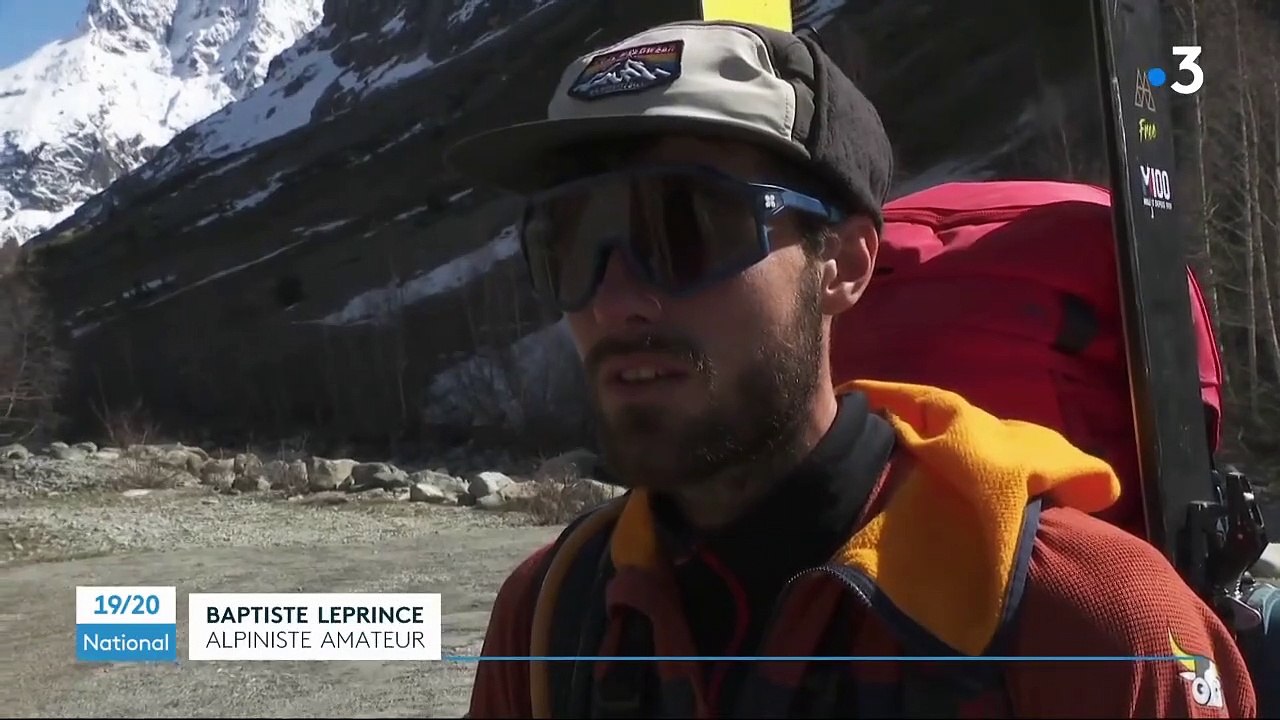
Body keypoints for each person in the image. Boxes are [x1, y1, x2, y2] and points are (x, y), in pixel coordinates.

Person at [444, 18, 1258, 719]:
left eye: (685, 228)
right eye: (571, 244)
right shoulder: (550, 618)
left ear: (845, 264)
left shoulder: (1094, 622)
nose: (617, 299)